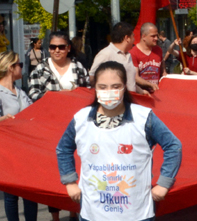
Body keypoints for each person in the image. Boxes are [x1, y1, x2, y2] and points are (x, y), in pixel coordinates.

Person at [56, 61, 183, 221]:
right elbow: (63, 148)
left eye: (115, 86)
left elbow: (173, 146)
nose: (109, 92)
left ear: (124, 87)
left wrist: (164, 184)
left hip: (137, 213)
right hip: (93, 213)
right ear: (95, 88)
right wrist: (69, 182)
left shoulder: (144, 117)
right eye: (103, 87)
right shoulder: (81, 119)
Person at [0, 51, 37, 221]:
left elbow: (33, 111)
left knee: (30, 193)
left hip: (26, 148)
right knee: (11, 195)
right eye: (19, 65)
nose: (22, 68)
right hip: (8, 150)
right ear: (10, 68)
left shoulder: (19, 90)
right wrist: (4, 120)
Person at [91, 22, 154, 95]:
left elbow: (129, 81)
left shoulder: (128, 55)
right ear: (127, 38)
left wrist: (141, 91)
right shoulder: (105, 54)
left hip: (130, 100)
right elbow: (92, 78)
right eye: (133, 36)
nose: (134, 40)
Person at [28, 31, 90, 101]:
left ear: (68, 48)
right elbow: (33, 94)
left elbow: (88, 91)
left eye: (61, 47)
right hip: (50, 110)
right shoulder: (40, 68)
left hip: (75, 109)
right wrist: (55, 95)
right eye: (53, 47)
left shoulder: (78, 67)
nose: (57, 50)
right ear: (49, 48)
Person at [132, 23, 165, 92]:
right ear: (143, 37)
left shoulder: (158, 50)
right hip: (141, 94)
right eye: (153, 36)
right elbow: (135, 77)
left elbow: (163, 73)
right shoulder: (133, 53)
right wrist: (150, 85)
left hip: (157, 93)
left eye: (157, 36)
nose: (156, 38)